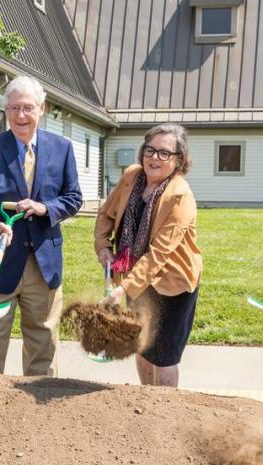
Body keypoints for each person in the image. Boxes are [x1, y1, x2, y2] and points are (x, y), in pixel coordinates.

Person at [0, 75, 82, 376]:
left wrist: (46, 208)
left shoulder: (62, 148)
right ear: (5, 111)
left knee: (43, 343)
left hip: (43, 263)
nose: (21, 115)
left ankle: (39, 416)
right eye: (14, 108)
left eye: (28, 108)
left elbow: (73, 197)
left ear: (41, 109)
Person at [95, 123, 203, 388]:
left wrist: (124, 288)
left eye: (165, 153)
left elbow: (159, 254)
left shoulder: (180, 196)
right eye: (150, 150)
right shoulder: (132, 176)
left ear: (179, 161)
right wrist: (103, 247)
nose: (155, 157)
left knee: (164, 356)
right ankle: (147, 402)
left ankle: (165, 412)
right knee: (142, 346)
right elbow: (106, 213)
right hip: (134, 274)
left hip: (172, 285)